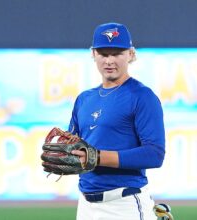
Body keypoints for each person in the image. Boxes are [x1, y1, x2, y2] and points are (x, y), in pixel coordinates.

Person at [68, 22, 166, 220]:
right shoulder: (84, 99)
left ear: (130, 54)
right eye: (104, 54)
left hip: (125, 204)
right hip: (86, 206)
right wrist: (66, 154)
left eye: (117, 53)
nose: (109, 60)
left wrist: (97, 157)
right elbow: (74, 147)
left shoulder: (142, 96)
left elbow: (154, 154)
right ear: (93, 54)